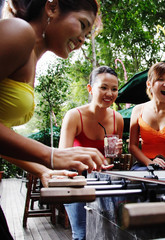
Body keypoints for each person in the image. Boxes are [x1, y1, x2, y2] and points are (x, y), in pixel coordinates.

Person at [0, 1, 106, 239]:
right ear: (52, 7)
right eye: (82, 25)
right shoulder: (19, 31)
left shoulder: (31, 57)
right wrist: (51, 155)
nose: (82, 40)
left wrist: (42, 170)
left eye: (87, 35)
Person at [59, 66, 124, 240]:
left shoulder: (117, 119)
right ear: (90, 89)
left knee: (108, 233)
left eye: (114, 89)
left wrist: (115, 153)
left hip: (102, 182)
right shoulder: (74, 116)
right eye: (103, 87)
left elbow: (109, 158)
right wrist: (89, 158)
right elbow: (62, 156)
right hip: (76, 181)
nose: (109, 93)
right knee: (82, 235)